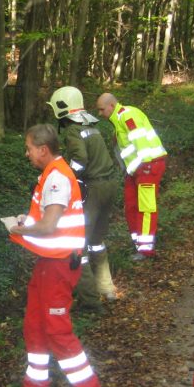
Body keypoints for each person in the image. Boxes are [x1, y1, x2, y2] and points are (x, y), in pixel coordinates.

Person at [8, 125, 103, 387]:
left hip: (60, 265)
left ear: (43, 149)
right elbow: (48, 220)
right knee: (34, 325)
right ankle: (36, 386)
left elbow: (49, 226)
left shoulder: (57, 178)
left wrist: (18, 230)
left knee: (56, 328)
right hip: (49, 264)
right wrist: (27, 223)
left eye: (29, 149)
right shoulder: (51, 175)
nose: (27, 154)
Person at [47, 86, 120, 306]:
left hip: (95, 189)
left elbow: (80, 159)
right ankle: (107, 289)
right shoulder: (91, 126)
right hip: (109, 185)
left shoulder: (72, 131)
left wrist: (66, 177)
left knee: (80, 243)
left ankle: (89, 300)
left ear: (61, 108)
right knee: (97, 241)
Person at [96, 93, 167, 260]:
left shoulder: (127, 116)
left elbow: (140, 142)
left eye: (101, 109)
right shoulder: (119, 121)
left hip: (148, 167)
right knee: (131, 207)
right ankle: (138, 244)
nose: (100, 113)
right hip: (137, 170)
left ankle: (145, 249)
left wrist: (146, 166)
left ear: (111, 106)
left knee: (146, 208)